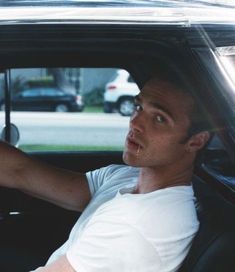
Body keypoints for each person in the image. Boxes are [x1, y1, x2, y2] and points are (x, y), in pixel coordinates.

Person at [0, 70, 211, 272]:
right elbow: (22, 171)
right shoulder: (127, 177)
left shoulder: (140, 226)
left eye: (159, 118)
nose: (135, 123)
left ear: (196, 141)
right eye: (139, 107)